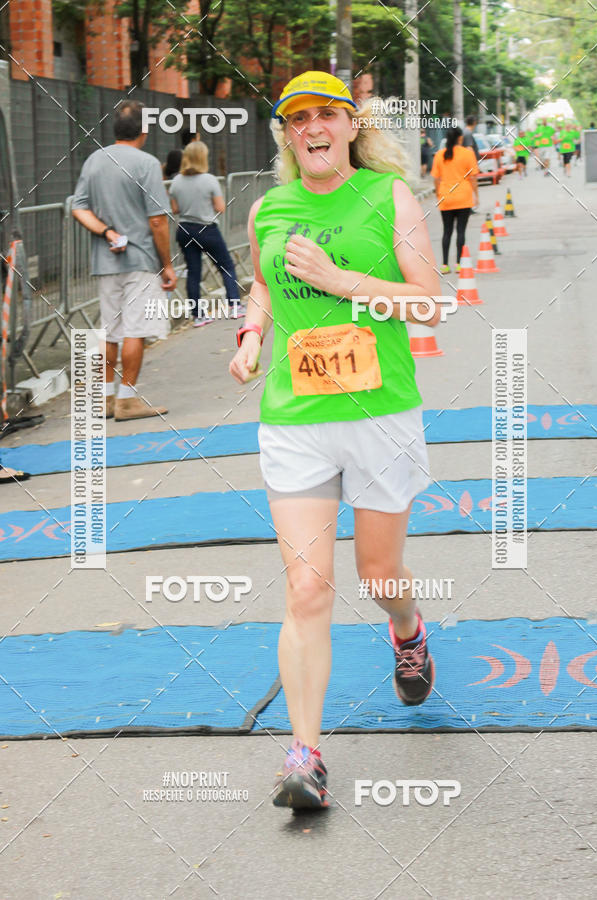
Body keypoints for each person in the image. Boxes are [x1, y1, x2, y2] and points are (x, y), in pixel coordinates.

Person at [230, 70, 443, 811]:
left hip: (380, 414)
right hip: (295, 417)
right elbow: (263, 284)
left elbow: (431, 303)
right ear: (287, 135)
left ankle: (407, 630)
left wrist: (340, 278)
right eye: (298, 119)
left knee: (378, 576)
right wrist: (251, 334)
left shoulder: (390, 196)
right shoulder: (268, 208)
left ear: (352, 125)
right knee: (306, 587)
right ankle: (305, 757)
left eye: (327, 114)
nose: (312, 127)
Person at [71, 100, 176, 421]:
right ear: (144, 130)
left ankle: (105, 399)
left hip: (105, 261)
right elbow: (157, 220)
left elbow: (78, 207)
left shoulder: (94, 161)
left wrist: (107, 232)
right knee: (135, 330)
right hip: (140, 260)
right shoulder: (147, 163)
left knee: (111, 331)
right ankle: (127, 400)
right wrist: (167, 264)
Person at [169, 141, 244, 327]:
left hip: (185, 230)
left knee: (193, 272)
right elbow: (220, 207)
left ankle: (198, 316)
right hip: (207, 229)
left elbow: (175, 209)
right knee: (226, 266)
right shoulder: (209, 180)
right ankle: (234, 305)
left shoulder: (176, 181)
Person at [431, 127, 479, 274]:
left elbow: (436, 178)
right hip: (463, 196)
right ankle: (459, 264)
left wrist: (438, 194)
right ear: (460, 138)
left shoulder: (439, 155)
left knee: (447, 231)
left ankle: (445, 265)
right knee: (461, 231)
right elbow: (473, 177)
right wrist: (476, 195)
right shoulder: (467, 153)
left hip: (446, 197)